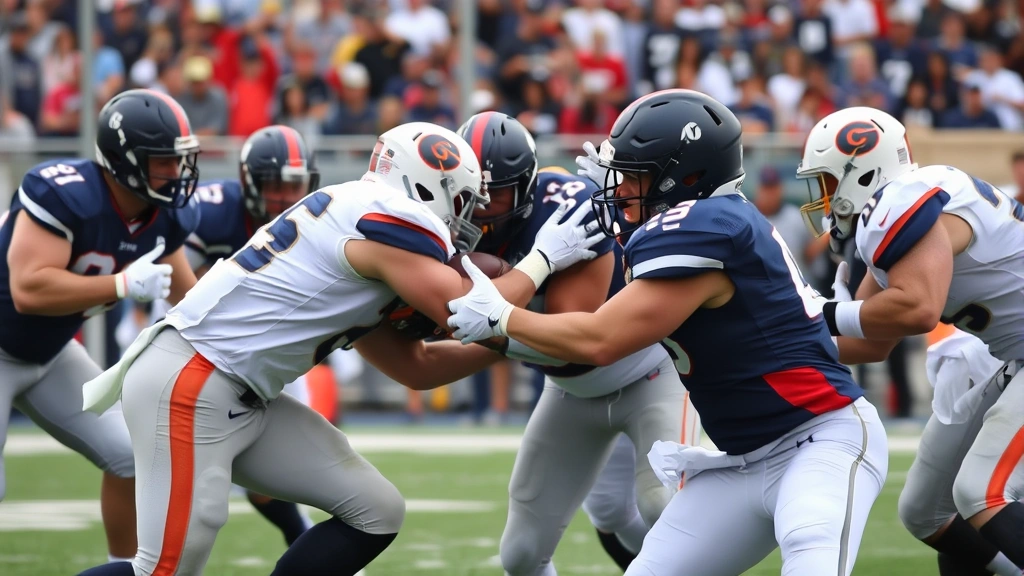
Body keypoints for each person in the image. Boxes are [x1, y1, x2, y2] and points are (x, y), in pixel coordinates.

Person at [75, 122, 603, 576]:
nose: (468, 221)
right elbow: (470, 312)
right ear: (427, 187)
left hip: (239, 392)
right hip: (193, 380)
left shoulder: (357, 227)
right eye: (462, 200)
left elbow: (416, 368)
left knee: (375, 510)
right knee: (166, 568)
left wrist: (522, 346)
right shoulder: (392, 218)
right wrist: (541, 263)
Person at [447, 89, 888, 576]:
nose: (620, 189)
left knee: (811, 555)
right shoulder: (713, 219)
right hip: (743, 461)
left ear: (687, 177)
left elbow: (600, 339)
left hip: (820, 437)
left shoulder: (706, 225)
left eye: (636, 176)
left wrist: (502, 315)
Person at [453, 112, 699, 573]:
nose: (483, 207)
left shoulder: (569, 208)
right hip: (571, 390)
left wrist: (499, 318)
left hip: (646, 370)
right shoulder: (448, 215)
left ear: (524, 187)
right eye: (474, 193)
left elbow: (575, 338)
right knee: (522, 553)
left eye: (497, 191)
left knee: (663, 505)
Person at [796, 106, 1024, 575]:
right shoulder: (897, 209)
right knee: (924, 510)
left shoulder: (899, 200)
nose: (822, 199)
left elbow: (917, 310)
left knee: (982, 491)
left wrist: (825, 313)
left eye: (827, 182)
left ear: (859, 171)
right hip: (1013, 356)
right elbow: (873, 342)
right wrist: (769, 348)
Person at [0, 89, 201, 565]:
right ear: (125, 161)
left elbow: (191, 300)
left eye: (179, 161)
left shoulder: (160, 215)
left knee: (130, 456)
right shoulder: (67, 193)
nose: (176, 173)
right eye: (163, 162)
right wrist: (122, 284)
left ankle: (123, 571)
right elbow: (29, 289)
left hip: (47, 354)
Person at [184, 125, 323, 545]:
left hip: (267, 352)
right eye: (275, 185)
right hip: (195, 342)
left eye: (294, 185)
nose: (284, 196)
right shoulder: (212, 211)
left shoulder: (317, 220)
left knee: (277, 466)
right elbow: (174, 287)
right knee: (198, 487)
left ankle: (304, 542)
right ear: (249, 182)